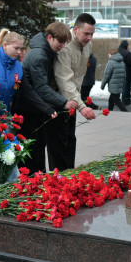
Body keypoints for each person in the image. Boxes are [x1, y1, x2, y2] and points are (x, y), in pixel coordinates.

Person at [0, 29, 56, 194]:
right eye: (16, 48)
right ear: (5, 45)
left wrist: (46, 108)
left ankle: (12, 185)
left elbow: (26, 91)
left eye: (21, 49)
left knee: (8, 151)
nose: (19, 52)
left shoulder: (18, 68)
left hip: (4, 116)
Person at [13, 21, 75, 174]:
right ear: (49, 37)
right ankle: (30, 183)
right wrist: (64, 102)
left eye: (65, 42)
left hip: (34, 107)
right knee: (33, 151)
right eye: (60, 42)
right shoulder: (40, 55)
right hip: (27, 108)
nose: (62, 46)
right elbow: (41, 88)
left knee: (38, 148)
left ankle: (36, 179)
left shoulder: (44, 51)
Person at [52, 13, 97, 171]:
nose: (89, 38)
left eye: (92, 34)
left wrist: (78, 101)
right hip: (58, 100)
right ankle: (58, 178)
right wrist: (82, 106)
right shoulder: (65, 46)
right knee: (58, 142)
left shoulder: (87, 45)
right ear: (76, 29)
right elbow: (64, 81)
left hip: (73, 99)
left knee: (70, 139)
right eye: (86, 33)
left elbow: (78, 77)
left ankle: (69, 174)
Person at [118, 40, 131, 105]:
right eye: (128, 45)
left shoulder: (117, 52)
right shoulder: (128, 54)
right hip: (127, 72)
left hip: (117, 73)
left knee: (118, 87)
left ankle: (116, 100)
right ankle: (125, 99)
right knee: (126, 86)